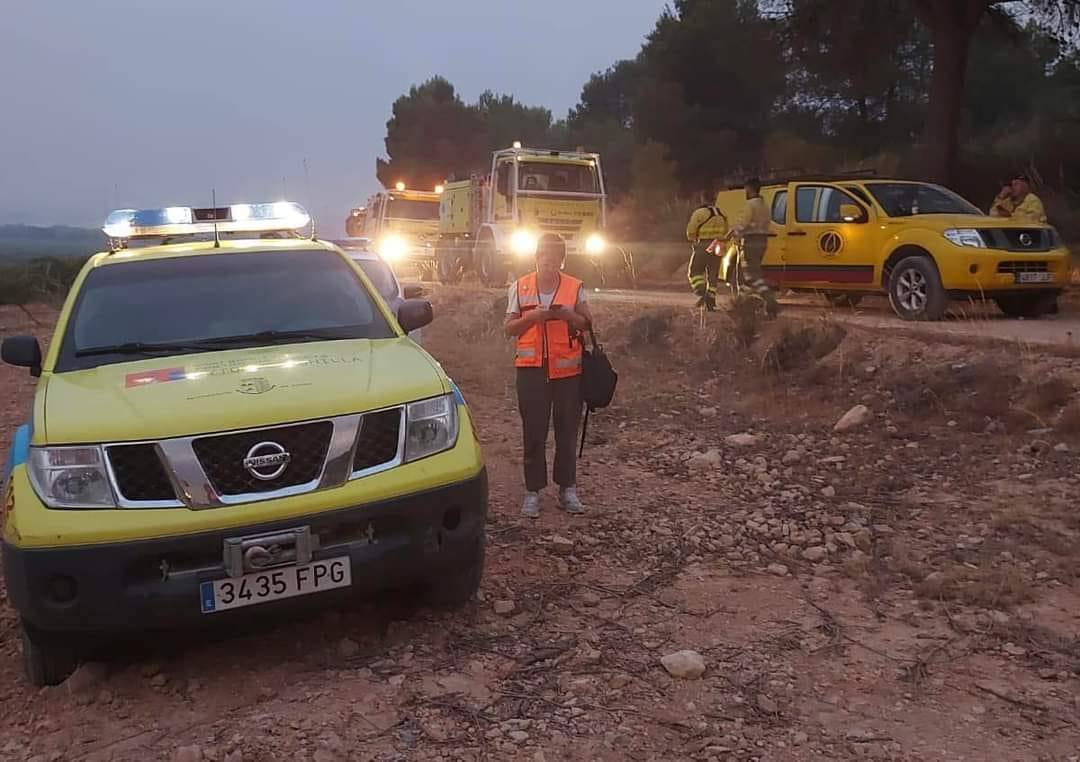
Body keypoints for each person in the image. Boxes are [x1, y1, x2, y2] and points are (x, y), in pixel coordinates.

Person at [504, 234, 594, 518]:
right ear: (536, 256)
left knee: (566, 432)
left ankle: (567, 490)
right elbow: (509, 328)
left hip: (568, 372)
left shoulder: (575, 287)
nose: (548, 259)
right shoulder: (519, 286)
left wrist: (568, 315)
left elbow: (587, 323)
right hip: (531, 371)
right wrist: (533, 318)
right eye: (543, 253)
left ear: (562, 259)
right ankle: (533, 492)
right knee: (534, 432)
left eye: (554, 255)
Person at [729, 177, 779, 317]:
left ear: (750, 189)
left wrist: (734, 233)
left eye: (746, 189)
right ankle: (738, 304)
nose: (745, 192)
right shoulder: (764, 205)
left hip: (750, 242)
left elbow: (742, 224)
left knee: (752, 276)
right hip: (762, 242)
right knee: (750, 276)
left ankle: (770, 301)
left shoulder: (750, 205)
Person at [685, 194, 728, 310]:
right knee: (713, 275)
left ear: (703, 199)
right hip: (717, 246)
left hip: (704, 245)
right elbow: (726, 231)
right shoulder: (722, 214)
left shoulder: (699, 213)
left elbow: (690, 231)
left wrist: (694, 240)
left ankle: (703, 293)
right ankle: (711, 301)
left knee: (694, 272)